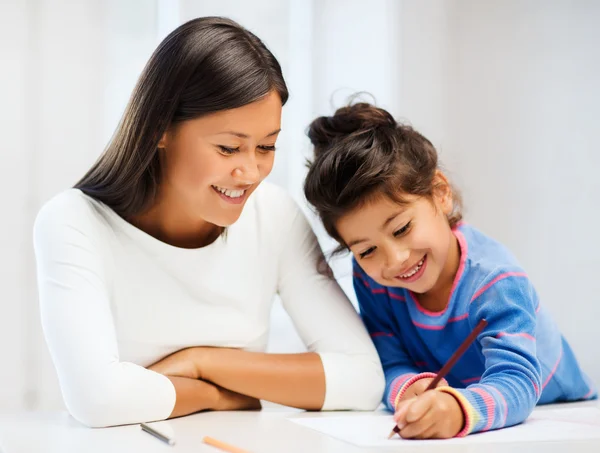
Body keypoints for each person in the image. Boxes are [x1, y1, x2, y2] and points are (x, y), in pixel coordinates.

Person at [33, 18, 384, 428]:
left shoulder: (273, 216)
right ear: (161, 129)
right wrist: (223, 396)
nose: (250, 171)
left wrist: (201, 363)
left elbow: (362, 380)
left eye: (267, 147)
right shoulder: (73, 223)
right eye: (229, 147)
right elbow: (96, 400)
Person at [303, 101, 597, 439]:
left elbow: (517, 382)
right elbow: (388, 361)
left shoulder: (496, 281)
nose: (395, 259)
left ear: (440, 193)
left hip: (561, 415)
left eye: (401, 229)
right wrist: (409, 388)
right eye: (367, 250)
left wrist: (459, 410)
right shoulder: (372, 281)